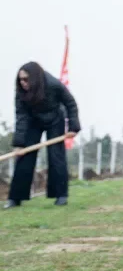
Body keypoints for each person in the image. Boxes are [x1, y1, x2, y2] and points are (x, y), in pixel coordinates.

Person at [6, 62, 80, 208]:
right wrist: (19, 143)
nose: (23, 83)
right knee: (24, 156)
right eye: (20, 80)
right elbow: (20, 116)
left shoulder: (53, 84)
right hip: (33, 121)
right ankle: (15, 198)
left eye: (26, 79)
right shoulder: (21, 91)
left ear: (34, 78)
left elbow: (70, 103)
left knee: (56, 156)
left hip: (55, 119)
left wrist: (73, 127)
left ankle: (61, 196)